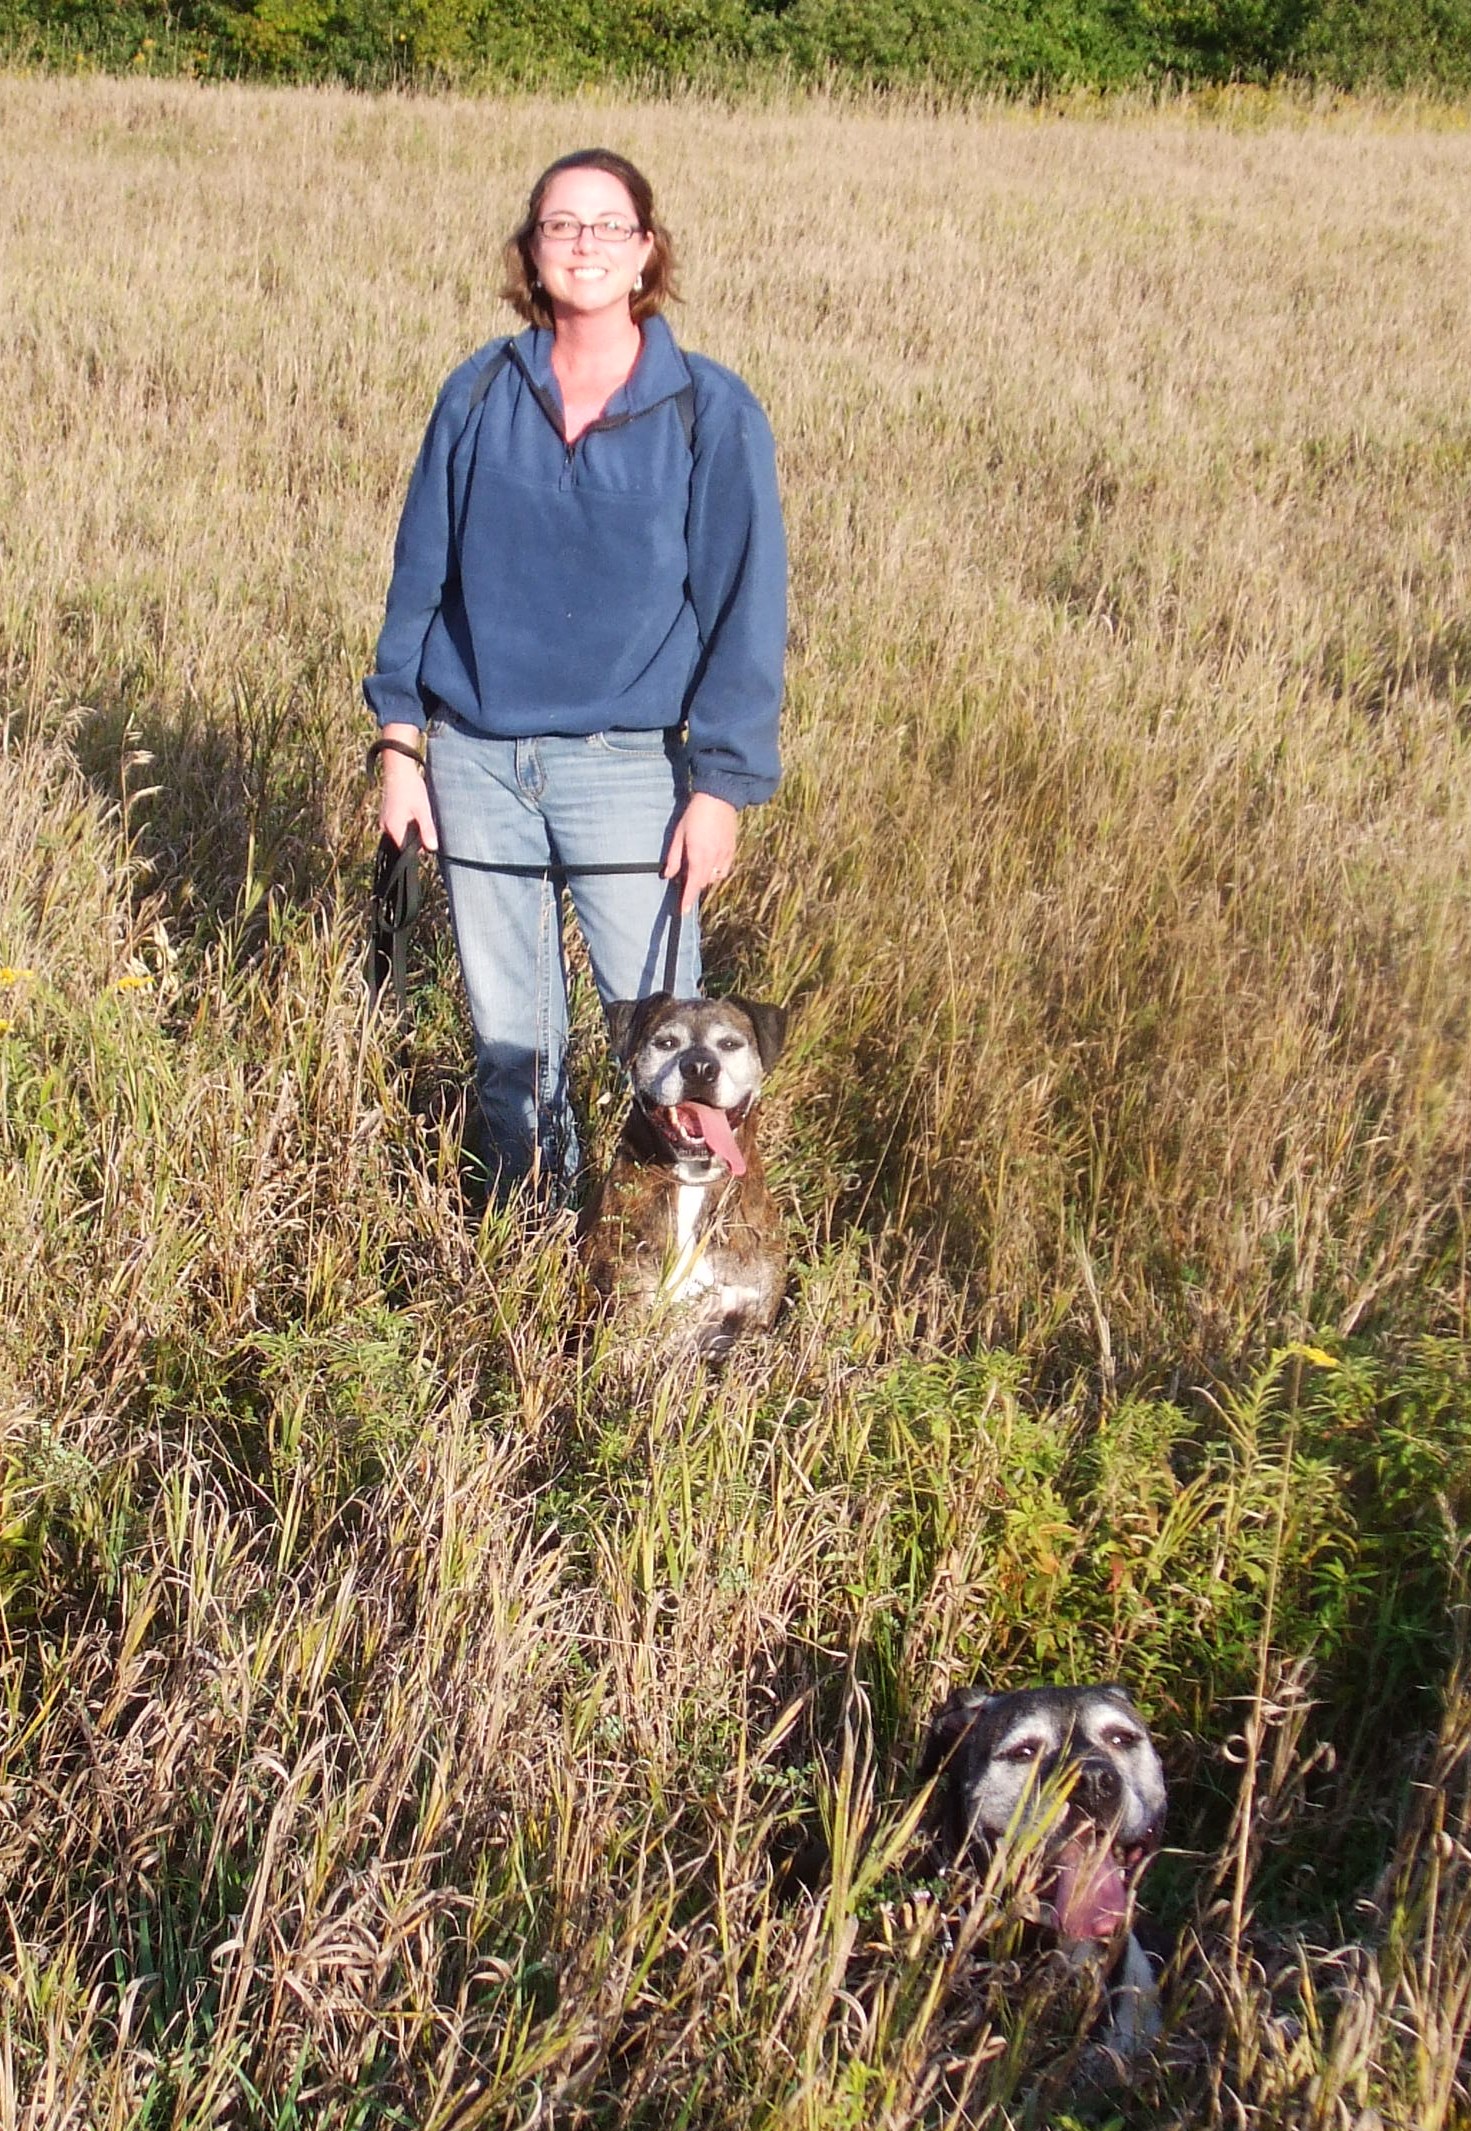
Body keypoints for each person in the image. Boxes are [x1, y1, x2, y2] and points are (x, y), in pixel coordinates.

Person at [365, 147, 786, 1199]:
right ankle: (534, 1239)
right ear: (531, 250)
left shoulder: (709, 410)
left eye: (608, 225)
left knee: (672, 1055)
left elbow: (746, 608)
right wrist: (398, 744)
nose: (585, 243)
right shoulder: (477, 394)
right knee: (513, 1051)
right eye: (562, 225)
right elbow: (420, 578)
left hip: (628, 772)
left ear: (647, 250)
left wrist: (722, 788)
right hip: (476, 763)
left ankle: (677, 1263)